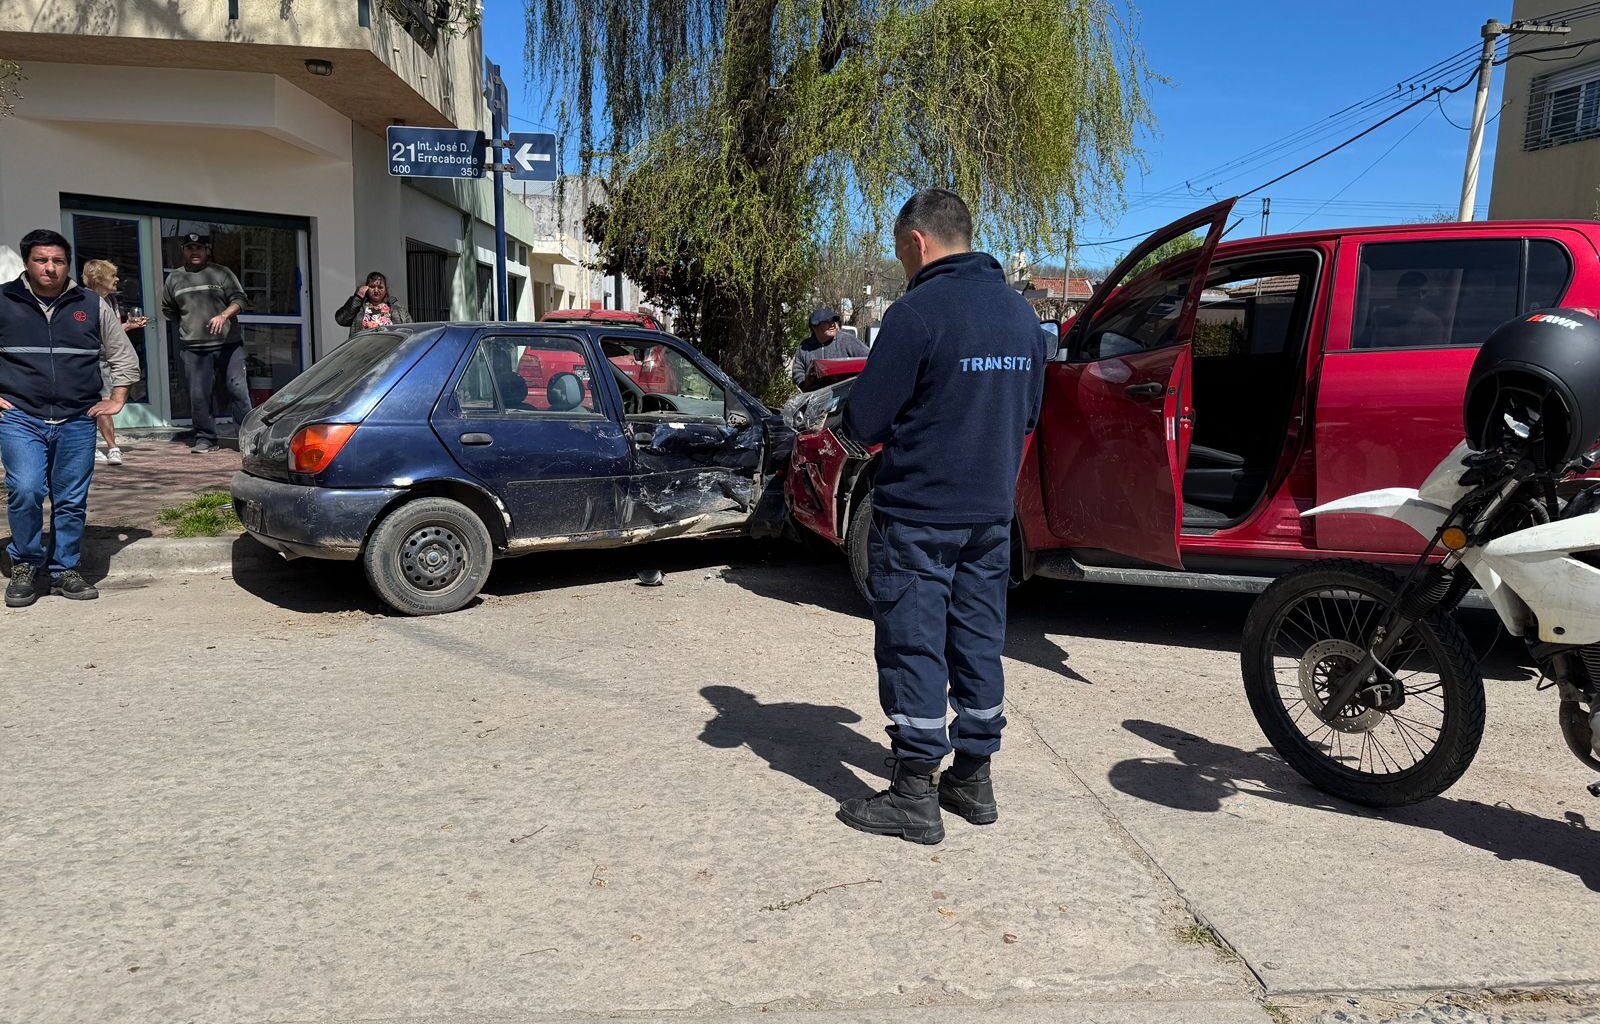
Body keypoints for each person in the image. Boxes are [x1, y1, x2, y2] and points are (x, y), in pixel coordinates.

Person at [835, 189, 1048, 845]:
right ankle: (973, 777)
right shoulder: (1021, 316)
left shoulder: (917, 312)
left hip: (920, 515)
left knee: (914, 643)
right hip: (991, 516)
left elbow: (862, 423)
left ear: (917, 242)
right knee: (979, 639)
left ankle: (913, 794)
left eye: (901, 252)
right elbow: (1030, 414)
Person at [0, 229, 141, 607]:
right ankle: (26, 564)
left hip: (78, 417)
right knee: (26, 489)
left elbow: (121, 353)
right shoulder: (4, 300)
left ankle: (65, 569)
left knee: (70, 499)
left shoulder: (91, 304)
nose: (50, 268)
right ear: (27, 262)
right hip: (20, 416)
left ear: (68, 264)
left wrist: (118, 397)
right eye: (41, 260)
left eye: (58, 261)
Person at [160, 232, 250, 454]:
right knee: (199, 395)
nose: (195, 252)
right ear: (184, 251)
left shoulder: (221, 273)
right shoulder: (174, 279)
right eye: (190, 248)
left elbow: (240, 299)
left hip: (229, 345)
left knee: (238, 391)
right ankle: (206, 439)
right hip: (194, 348)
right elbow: (168, 309)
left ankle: (249, 438)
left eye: (199, 248)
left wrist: (223, 316)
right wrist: (191, 325)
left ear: (207, 250)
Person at [80, 259, 147, 466]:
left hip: (107, 359)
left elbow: (110, 334)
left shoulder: (111, 301)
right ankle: (108, 447)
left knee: (104, 401)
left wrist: (127, 326)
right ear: (98, 279)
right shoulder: (84, 301)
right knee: (100, 401)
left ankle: (107, 447)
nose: (117, 280)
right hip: (91, 360)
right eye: (112, 276)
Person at [791, 307, 869, 391]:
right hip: (816, 399)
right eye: (826, 322)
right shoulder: (805, 347)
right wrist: (805, 386)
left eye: (833, 321)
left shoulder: (848, 341)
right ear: (814, 327)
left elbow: (870, 359)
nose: (832, 325)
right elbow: (798, 371)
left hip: (846, 398)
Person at [1367, 270, 1445, 348]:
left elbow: (1428, 356)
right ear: (1400, 292)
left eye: (1424, 292)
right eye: (1414, 293)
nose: (1420, 297)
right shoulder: (1380, 316)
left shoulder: (1431, 322)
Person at [334, 271, 413, 339]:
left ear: (386, 289)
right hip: (364, 353)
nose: (376, 290)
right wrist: (358, 297)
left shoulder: (396, 307)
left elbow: (411, 331)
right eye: (372, 287)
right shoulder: (359, 307)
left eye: (380, 287)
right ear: (366, 288)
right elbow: (342, 320)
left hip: (390, 353)